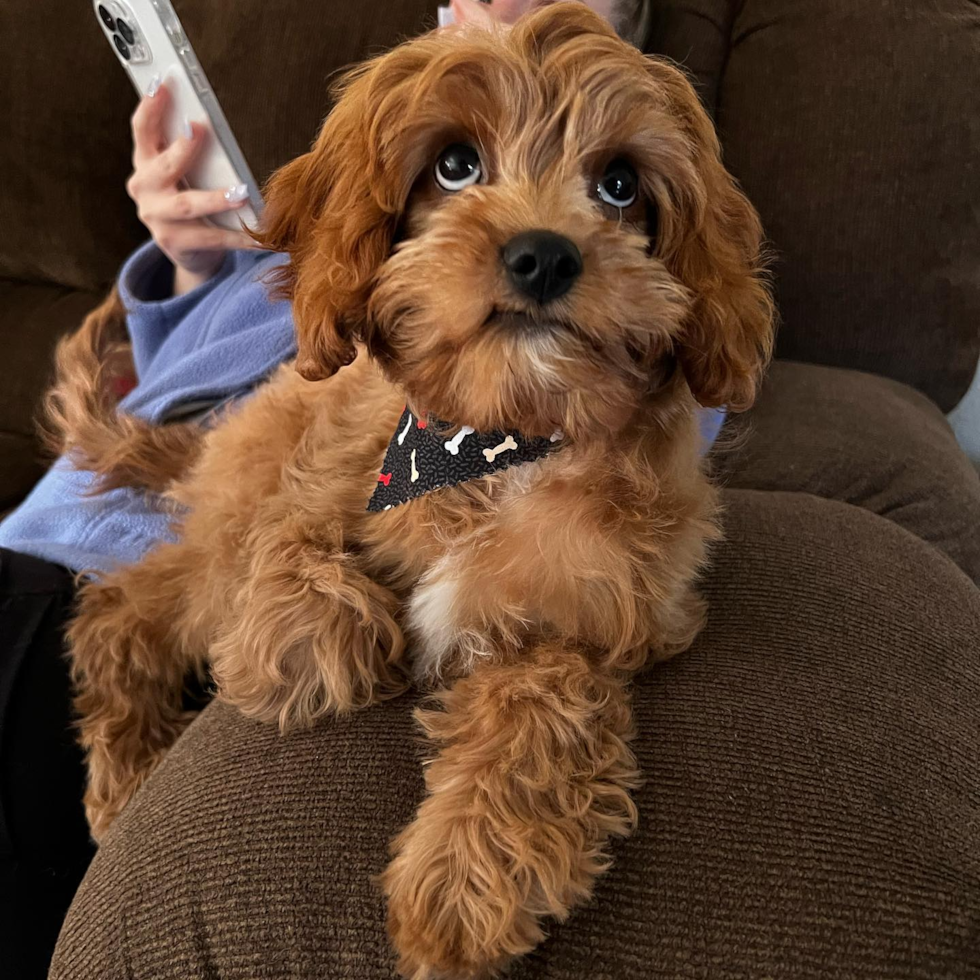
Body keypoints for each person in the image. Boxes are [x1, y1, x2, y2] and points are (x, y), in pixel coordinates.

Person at [0, 2, 676, 977]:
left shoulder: (629, 324)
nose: (511, 9)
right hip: (178, 453)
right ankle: (126, 639)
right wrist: (192, 264)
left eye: (609, 183)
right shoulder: (359, 172)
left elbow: (657, 425)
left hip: (381, 434)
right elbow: (284, 357)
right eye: (457, 166)